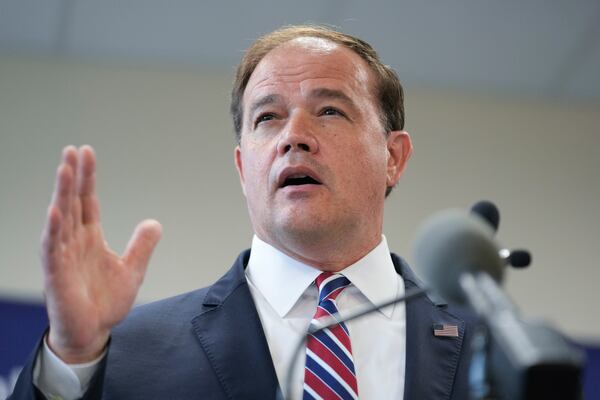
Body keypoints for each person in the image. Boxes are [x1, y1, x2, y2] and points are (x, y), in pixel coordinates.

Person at [10, 25, 477, 399]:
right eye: (267, 117)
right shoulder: (127, 350)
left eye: (330, 111)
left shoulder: (494, 351)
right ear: (242, 166)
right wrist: (72, 357)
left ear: (393, 158)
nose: (294, 136)